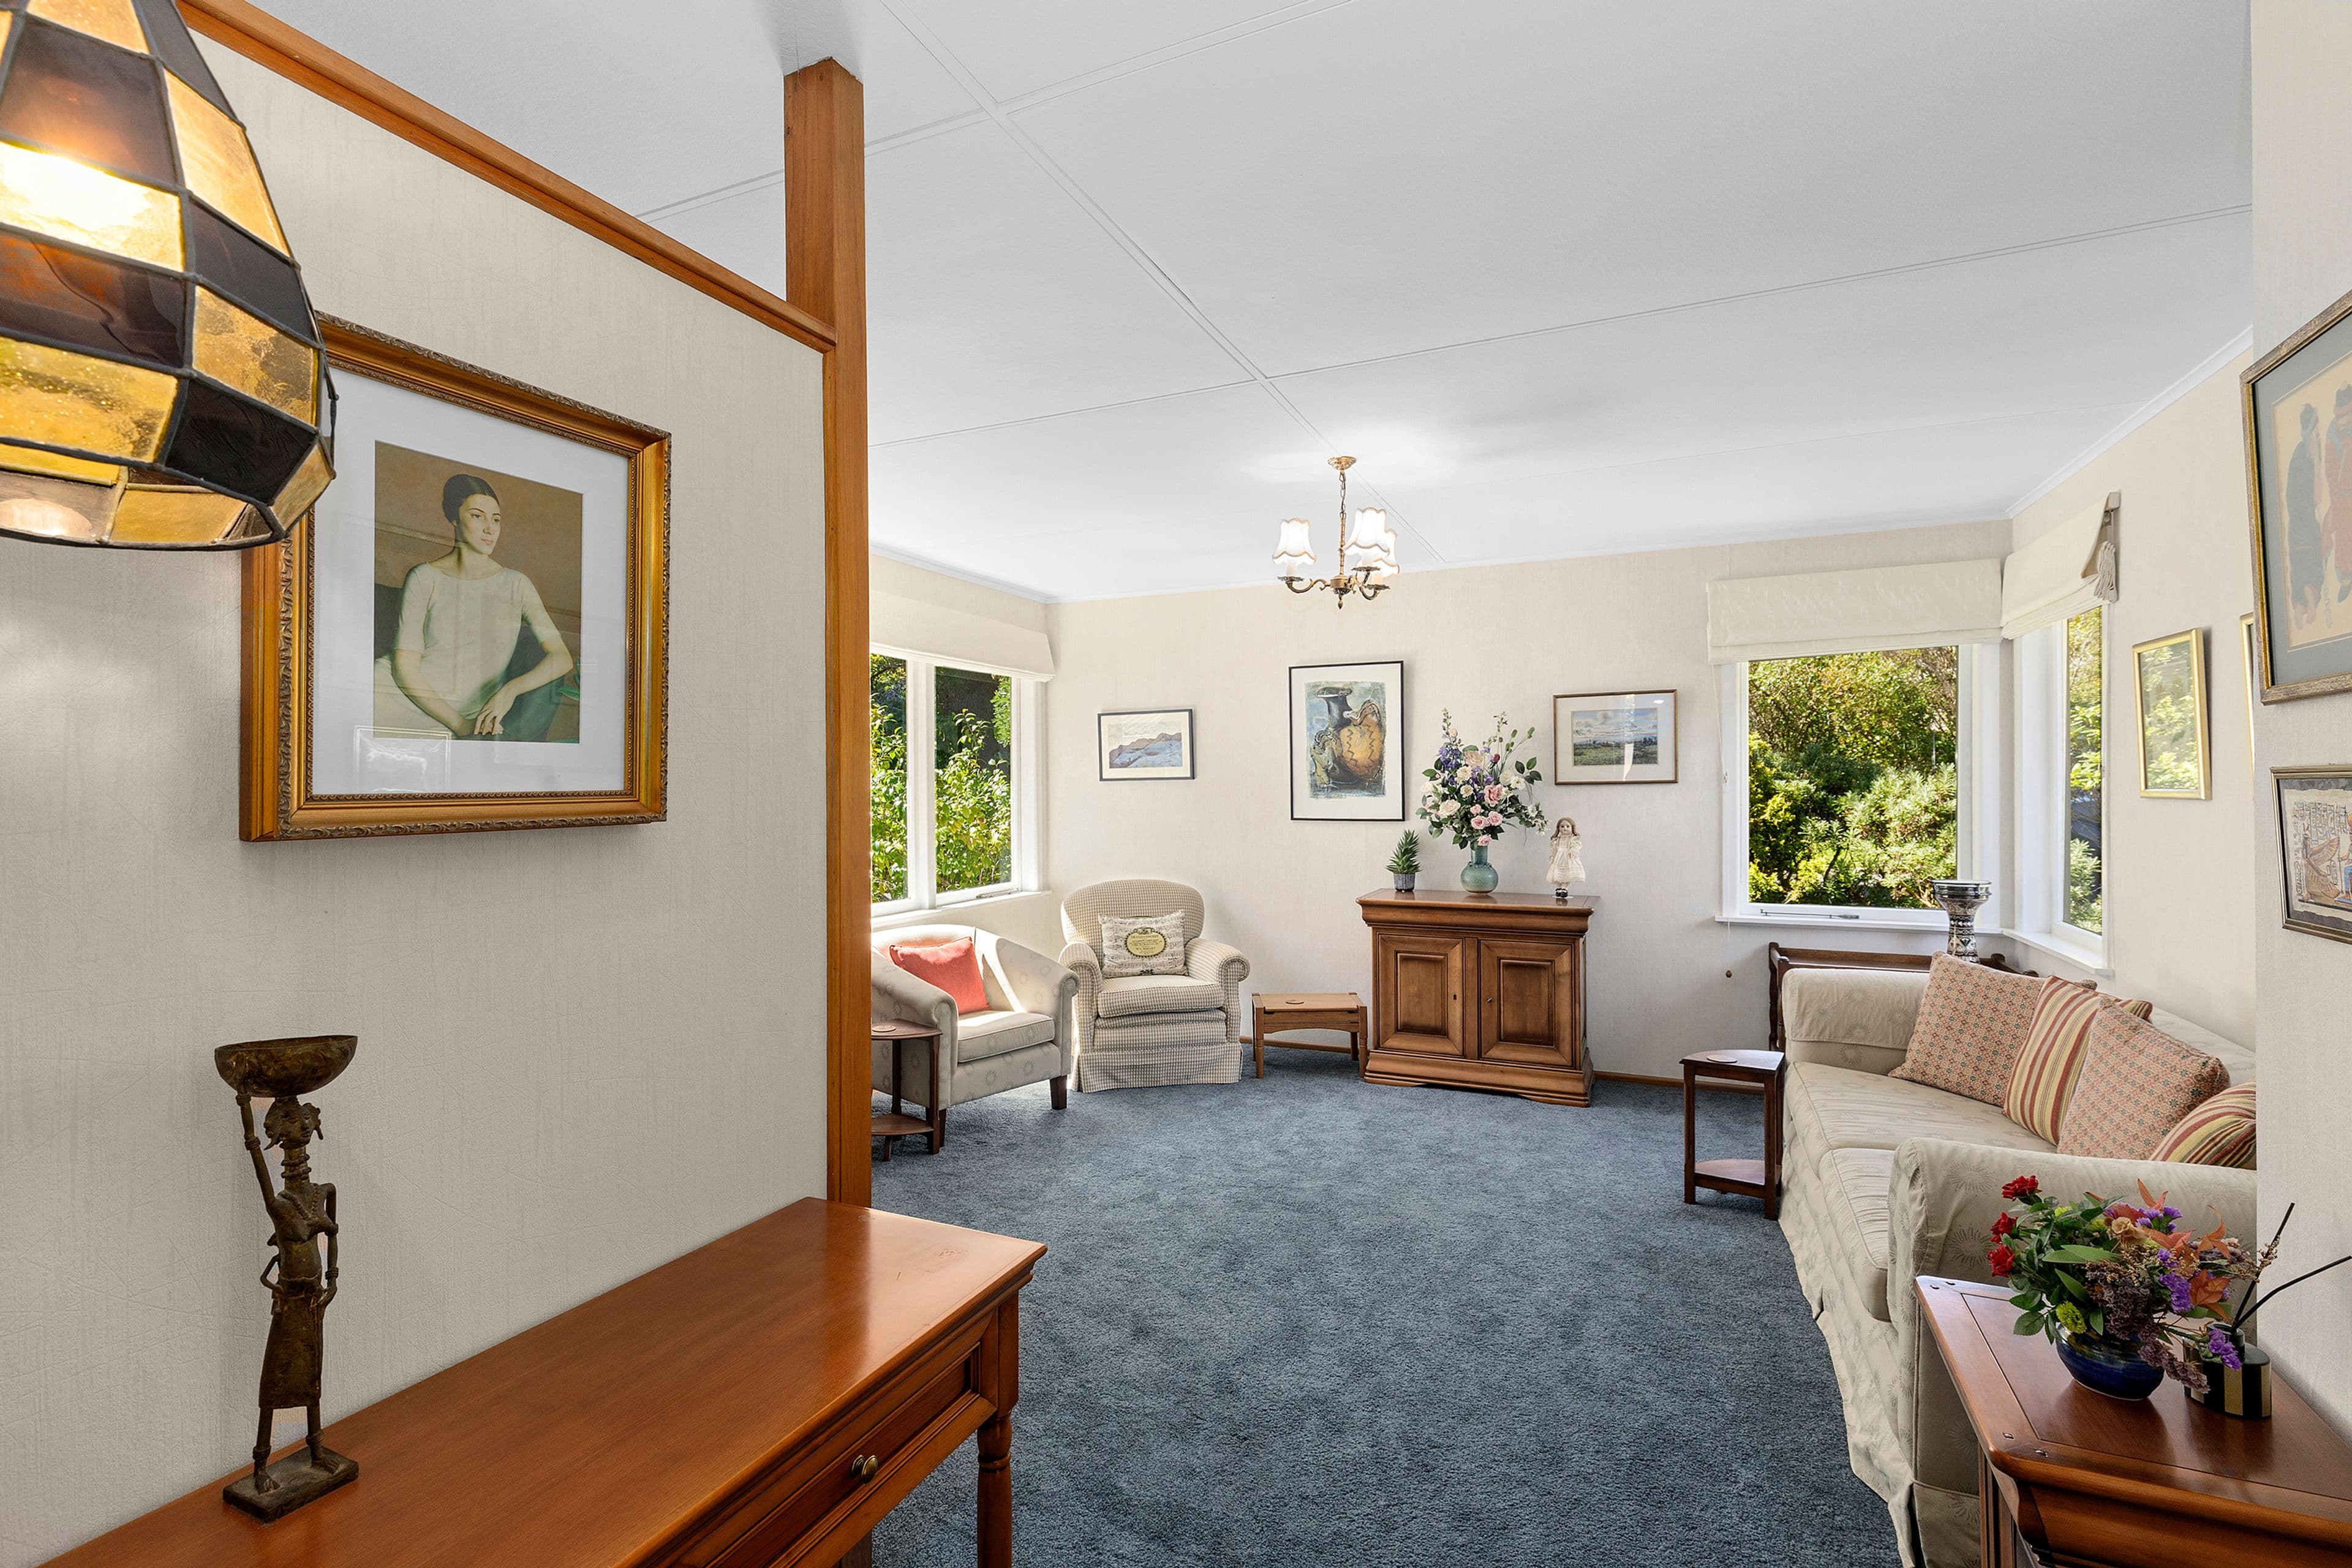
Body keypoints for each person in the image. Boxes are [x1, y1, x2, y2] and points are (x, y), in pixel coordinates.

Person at [372, 474, 573, 740]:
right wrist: (459, 725)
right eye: (478, 516)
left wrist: (510, 690)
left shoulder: (517, 584)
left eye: (496, 520)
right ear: (454, 518)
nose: (490, 529)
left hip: (465, 709)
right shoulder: (424, 577)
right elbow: (404, 668)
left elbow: (562, 658)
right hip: (394, 695)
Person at [2289, 402, 2323, 626]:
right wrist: (2318, 464)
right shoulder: (2309, 456)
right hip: (2307, 524)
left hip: (2295, 528)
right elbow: (2317, 497)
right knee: (2313, 569)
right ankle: (2310, 598)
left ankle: (2300, 608)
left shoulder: (2297, 455)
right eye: (2317, 431)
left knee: (2299, 570)